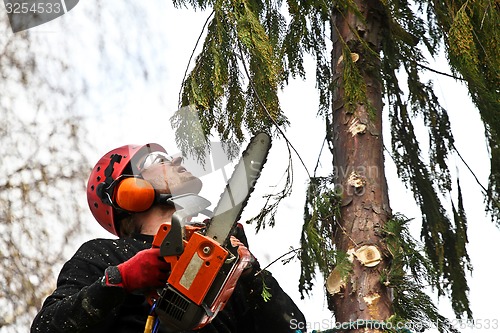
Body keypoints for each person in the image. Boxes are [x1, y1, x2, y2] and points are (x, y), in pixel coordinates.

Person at [31, 143, 306, 333]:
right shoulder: (103, 255)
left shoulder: (220, 262)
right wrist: (120, 280)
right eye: (157, 161)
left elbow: (295, 328)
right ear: (127, 188)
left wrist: (251, 276)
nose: (175, 160)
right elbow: (47, 327)